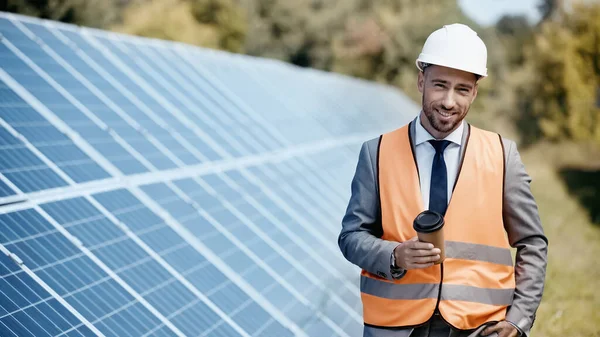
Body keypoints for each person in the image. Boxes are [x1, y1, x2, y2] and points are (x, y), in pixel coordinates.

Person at [338, 23, 548, 337]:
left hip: (478, 328)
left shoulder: (503, 156)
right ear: (421, 80)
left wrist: (518, 318)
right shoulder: (376, 153)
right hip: (395, 327)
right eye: (440, 85)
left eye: (462, 89)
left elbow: (532, 243)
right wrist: (393, 255)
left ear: (474, 92)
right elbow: (351, 236)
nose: (449, 101)